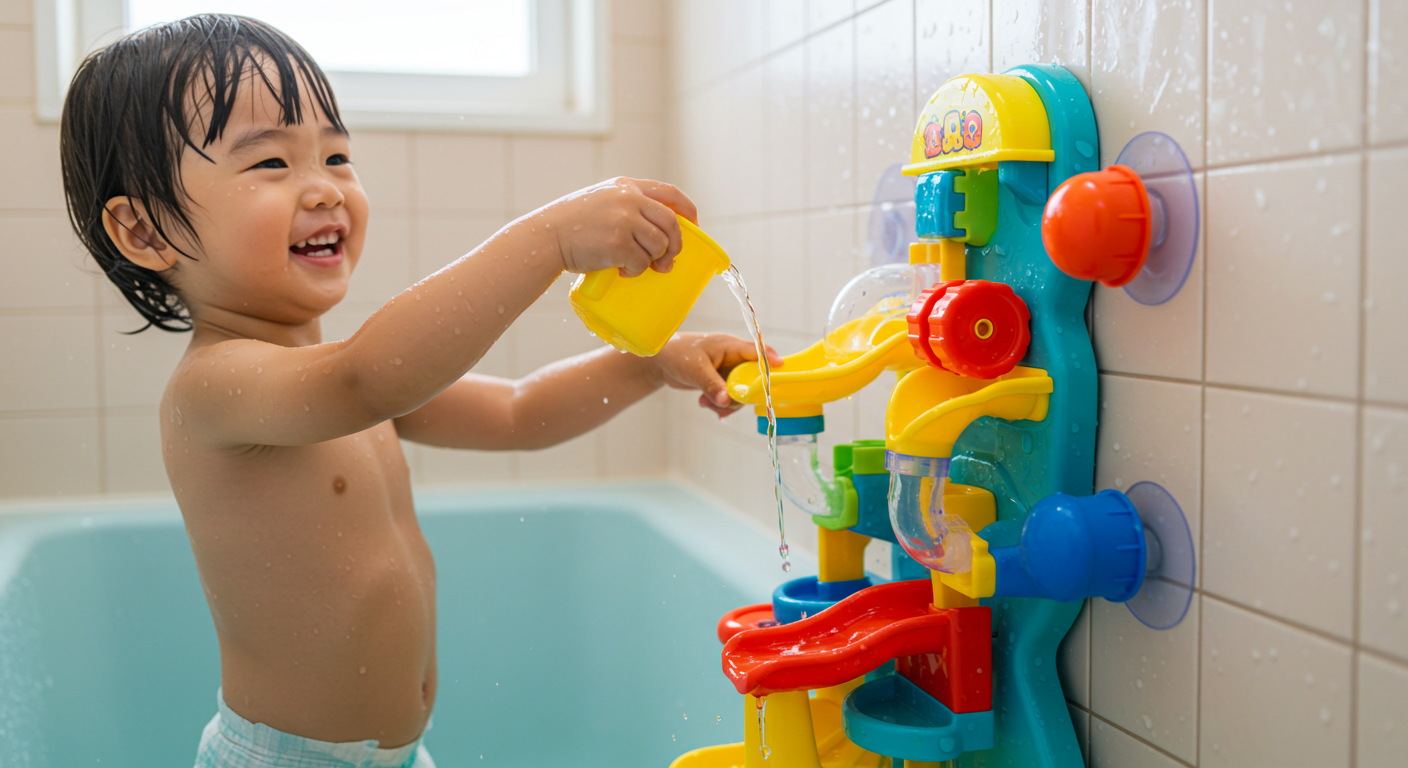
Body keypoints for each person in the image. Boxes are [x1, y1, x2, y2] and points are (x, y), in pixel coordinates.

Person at [60, 14, 774, 767]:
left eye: (336, 155)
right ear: (143, 232)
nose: (324, 189)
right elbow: (371, 375)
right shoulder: (218, 388)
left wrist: (648, 364)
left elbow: (519, 411)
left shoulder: (335, 382)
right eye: (270, 164)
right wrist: (550, 238)